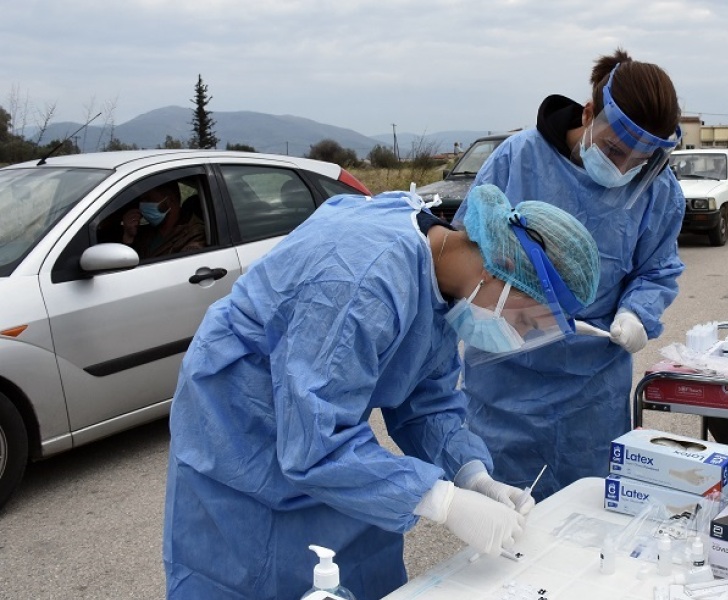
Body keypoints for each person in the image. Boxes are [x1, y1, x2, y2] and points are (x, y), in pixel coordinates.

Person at [162, 184, 602, 599]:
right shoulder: (363, 283)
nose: (515, 334)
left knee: (354, 562)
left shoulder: (444, 281)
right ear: (498, 270)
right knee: (249, 571)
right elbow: (315, 445)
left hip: (315, 414)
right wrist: (442, 501)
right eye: (524, 322)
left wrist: (473, 476)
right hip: (243, 421)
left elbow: (426, 399)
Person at [452, 48, 685, 502]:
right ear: (588, 112)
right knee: (505, 530)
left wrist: (637, 312)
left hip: (591, 393)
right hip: (506, 379)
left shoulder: (657, 188)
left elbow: (657, 268)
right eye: (616, 149)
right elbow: (465, 250)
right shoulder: (517, 160)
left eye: (638, 160)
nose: (623, 169)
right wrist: (511, 310)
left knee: (587, 525)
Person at [130, 181, 206, 258]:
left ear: (169, 201)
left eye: (148, 199)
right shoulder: (149, 232)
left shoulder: (193, 234)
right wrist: (129, 237)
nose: (142, 205)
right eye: (142, 200)